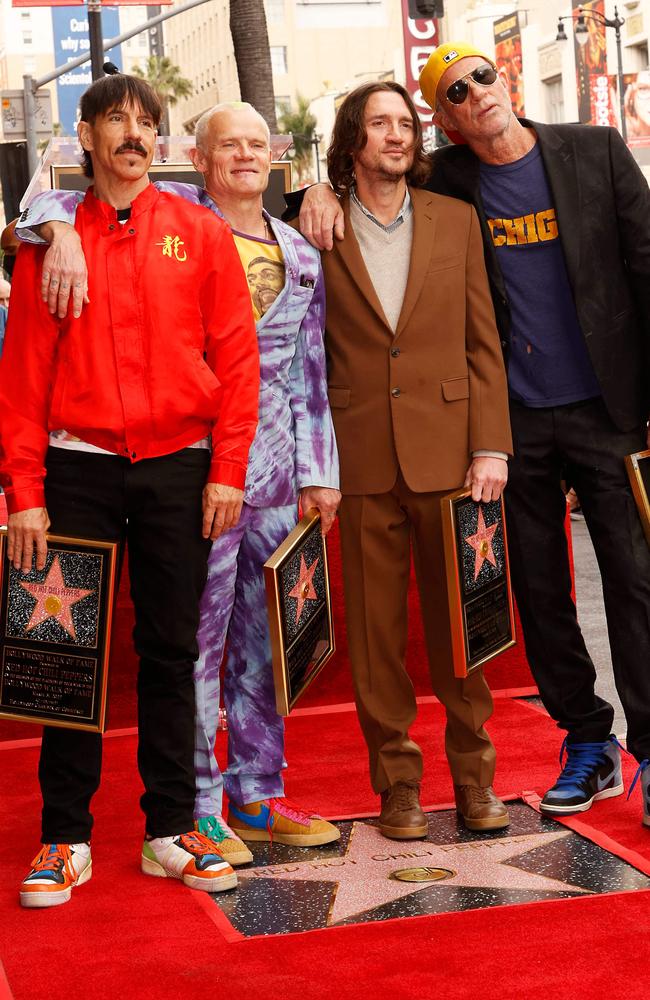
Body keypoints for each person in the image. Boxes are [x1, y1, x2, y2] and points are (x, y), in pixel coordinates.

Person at [290, 41, 650, 825]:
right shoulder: (450, 184)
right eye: (454, 90)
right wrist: (315, 187)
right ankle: (586, 741)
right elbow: (365, 184)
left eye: (483, 75)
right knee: (539, 592)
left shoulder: (593, 149)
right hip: (513, 423)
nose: (476, 91)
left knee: (634, 581)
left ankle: (649, 749)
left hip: (606, 411)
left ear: (505, 79)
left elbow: (648, 265)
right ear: (446, 124)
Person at [14, 100, 342, 863]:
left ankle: (254, 793)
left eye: (258, 146)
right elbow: (48, 205)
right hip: (166, 464)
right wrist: (48, 229)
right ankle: (183, 809)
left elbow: (308, 371)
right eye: (228, 145)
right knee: (153, 644)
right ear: (195, 157)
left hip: (262, 472)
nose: (245, 158)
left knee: (256, 645)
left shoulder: (297, 251)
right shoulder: (163, 216)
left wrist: (318, 471)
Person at [0, 74, 260, 908]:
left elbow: (238, 360)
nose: (133, 136)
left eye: (147, 124)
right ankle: (64, 836)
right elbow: (22, 378)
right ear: (84, 135)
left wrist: (226, 469)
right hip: (74, 466)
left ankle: (169, 828)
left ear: (164, 142)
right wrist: (24, 493)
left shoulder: (200, 231)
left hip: (178, 466)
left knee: (171, 649)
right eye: (116, 121)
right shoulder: (51, 239)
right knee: (63, 651)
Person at [292, 80, 513, 839]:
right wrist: (313, 190)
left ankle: (477, 781)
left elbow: (485, 342)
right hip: (357, 464)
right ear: (352, 142)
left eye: (404, 124)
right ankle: (398, 788)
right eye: (379, 124)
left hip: (455, 460)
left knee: (465, 629)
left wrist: (492, 443)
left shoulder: (456, 220)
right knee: (376, 641)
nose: (397, 135)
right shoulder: (313, 226)